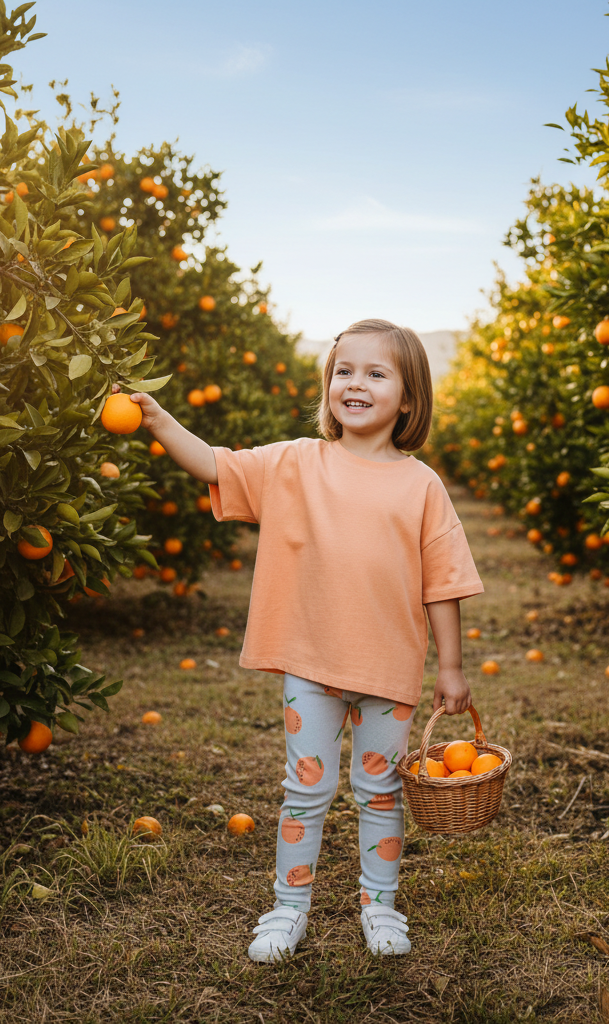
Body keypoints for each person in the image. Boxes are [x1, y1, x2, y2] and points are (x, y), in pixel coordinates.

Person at [124, 318, 483, 962]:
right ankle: (289, 906)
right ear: (328, 387)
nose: (356, 383)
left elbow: (444, 583)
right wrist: (159, 423)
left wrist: (451, 667)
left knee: (380, 792)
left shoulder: (421, 484)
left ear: (408, 399)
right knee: (306, 790)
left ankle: (380, 905)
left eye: (377, 374)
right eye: (344, 370)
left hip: (388, 666)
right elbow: (215, 464)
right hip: (312, 663)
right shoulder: (295, 463)